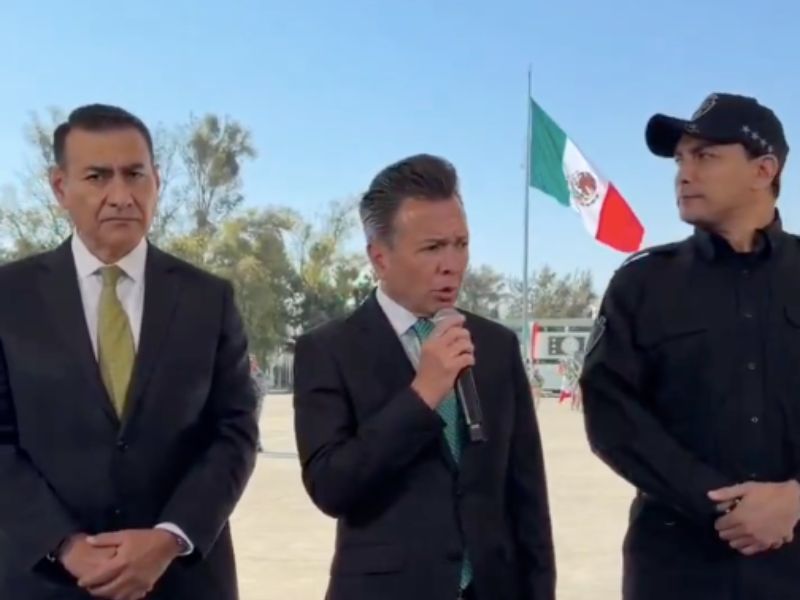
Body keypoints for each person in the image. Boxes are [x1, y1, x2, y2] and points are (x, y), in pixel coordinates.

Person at [0, 104, 259, 599]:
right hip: (46, 582)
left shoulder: (209, 300)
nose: (121, 196)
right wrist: (64, 544)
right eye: (97, 176)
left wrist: (170, 538)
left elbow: (235, 432)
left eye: (135, 175)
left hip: (182, 581)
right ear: (60, 187)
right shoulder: (9, 298)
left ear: (156, 181)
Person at [293, 154, 556, 600]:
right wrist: (422, 394)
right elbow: (331, 486)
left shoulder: (495, 345)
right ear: (380, 257)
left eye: (461, 244)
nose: (452, 264)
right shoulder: (329, 350)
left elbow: (528, 496)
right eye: (433, 248)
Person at [580, 93, 800, 600]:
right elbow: (612, 417)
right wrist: (722, 504)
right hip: (677, 568)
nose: (684, 174)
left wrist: (794, 498)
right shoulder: (641, 284)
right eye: (680, 159)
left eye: (705, 156)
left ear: (763, 170)